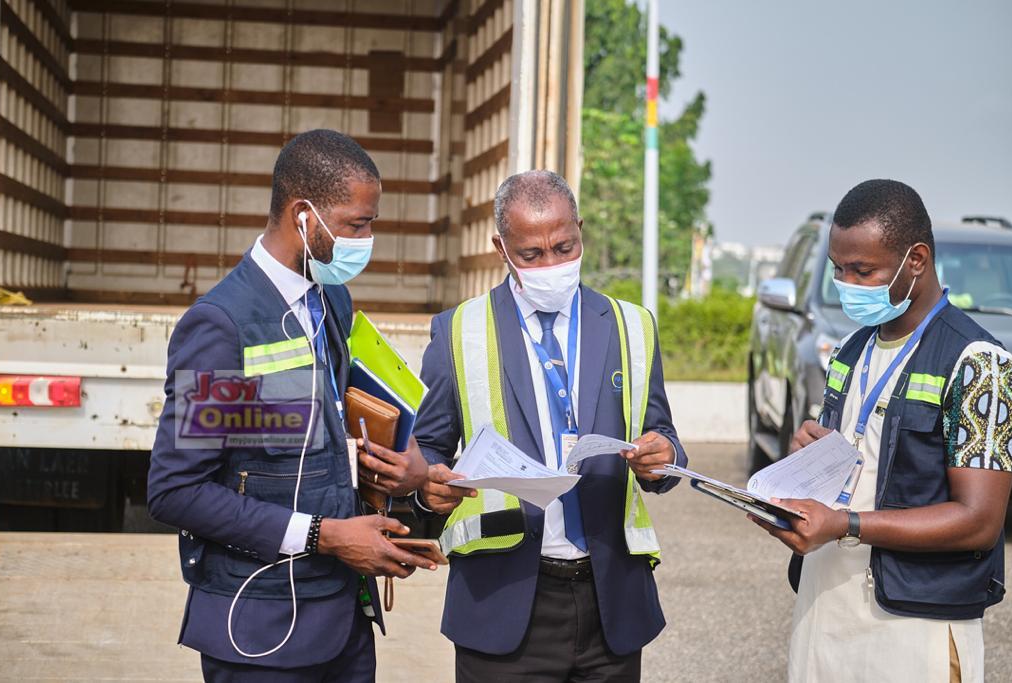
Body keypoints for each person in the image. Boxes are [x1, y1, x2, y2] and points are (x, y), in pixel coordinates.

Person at [148, 129, 433, 682]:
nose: (368, 238)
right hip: (260, 631)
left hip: (344, 624)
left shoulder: (331, 301)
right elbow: (176, 492)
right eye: (357, 224)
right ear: (303, 215)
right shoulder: (223, 326)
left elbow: (337, 428)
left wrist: (410, 472)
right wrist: (325, 535)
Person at [412, 170, 688, 681]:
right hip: (502, 601)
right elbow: (427, 445)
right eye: (531, 255)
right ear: (500, 247)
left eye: (565, 247)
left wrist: (662, 459)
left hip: (611, 602)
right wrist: (429, 486)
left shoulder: (633, 324)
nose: (552, 265)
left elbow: (663, 435)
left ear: (580, 230)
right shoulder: (458, 330)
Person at [752, 179, 1012, 682]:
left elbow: (979, 520)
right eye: (838, 270)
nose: (847, 284)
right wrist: (804, 463)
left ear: (916, 260)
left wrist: (846, 524)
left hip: (915, 627)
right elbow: (863, 467)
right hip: (825, 609)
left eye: (863, 271)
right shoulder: (850, 351)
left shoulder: (980, 364)